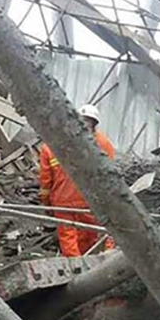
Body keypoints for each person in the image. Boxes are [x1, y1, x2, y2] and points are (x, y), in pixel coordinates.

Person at [39, 104, 115, 257]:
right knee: (83, 237)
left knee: (75, 238)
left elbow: (45, 180)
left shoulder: (54, 143)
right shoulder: (103, 144)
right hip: (83, 202)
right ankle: (83, 269)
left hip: (75, 202)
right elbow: (109, 175)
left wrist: (46, 201)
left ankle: (78, 269)